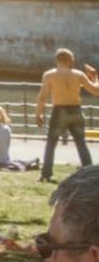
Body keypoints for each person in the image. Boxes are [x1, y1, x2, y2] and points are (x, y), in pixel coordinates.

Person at [36, 49, 97, 183]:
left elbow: (42, 97)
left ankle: (46, 174)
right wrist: (94, 76)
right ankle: (89, 173)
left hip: (59, 110)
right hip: (76, 110)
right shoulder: (79, 74)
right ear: (69, 60)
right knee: (81, 143)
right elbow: (96, 91)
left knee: (51, 143)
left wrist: (39, 113)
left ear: (57, 60)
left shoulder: (49, 75)